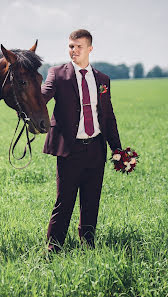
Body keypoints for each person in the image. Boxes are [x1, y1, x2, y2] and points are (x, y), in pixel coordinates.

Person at [42, 29, 122, 252]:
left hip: (96, 149)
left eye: (78, 46)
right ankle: (53, 249)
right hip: (70, 150)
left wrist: (116, 149)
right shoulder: (57, 74)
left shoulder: (102, 80)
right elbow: (42, 96)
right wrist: (27, 96)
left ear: (90, 49)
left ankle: (88, 246)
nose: (74, 50)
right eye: (70, 46)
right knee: (64, 202)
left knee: (91, 202)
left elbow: (108, 116)